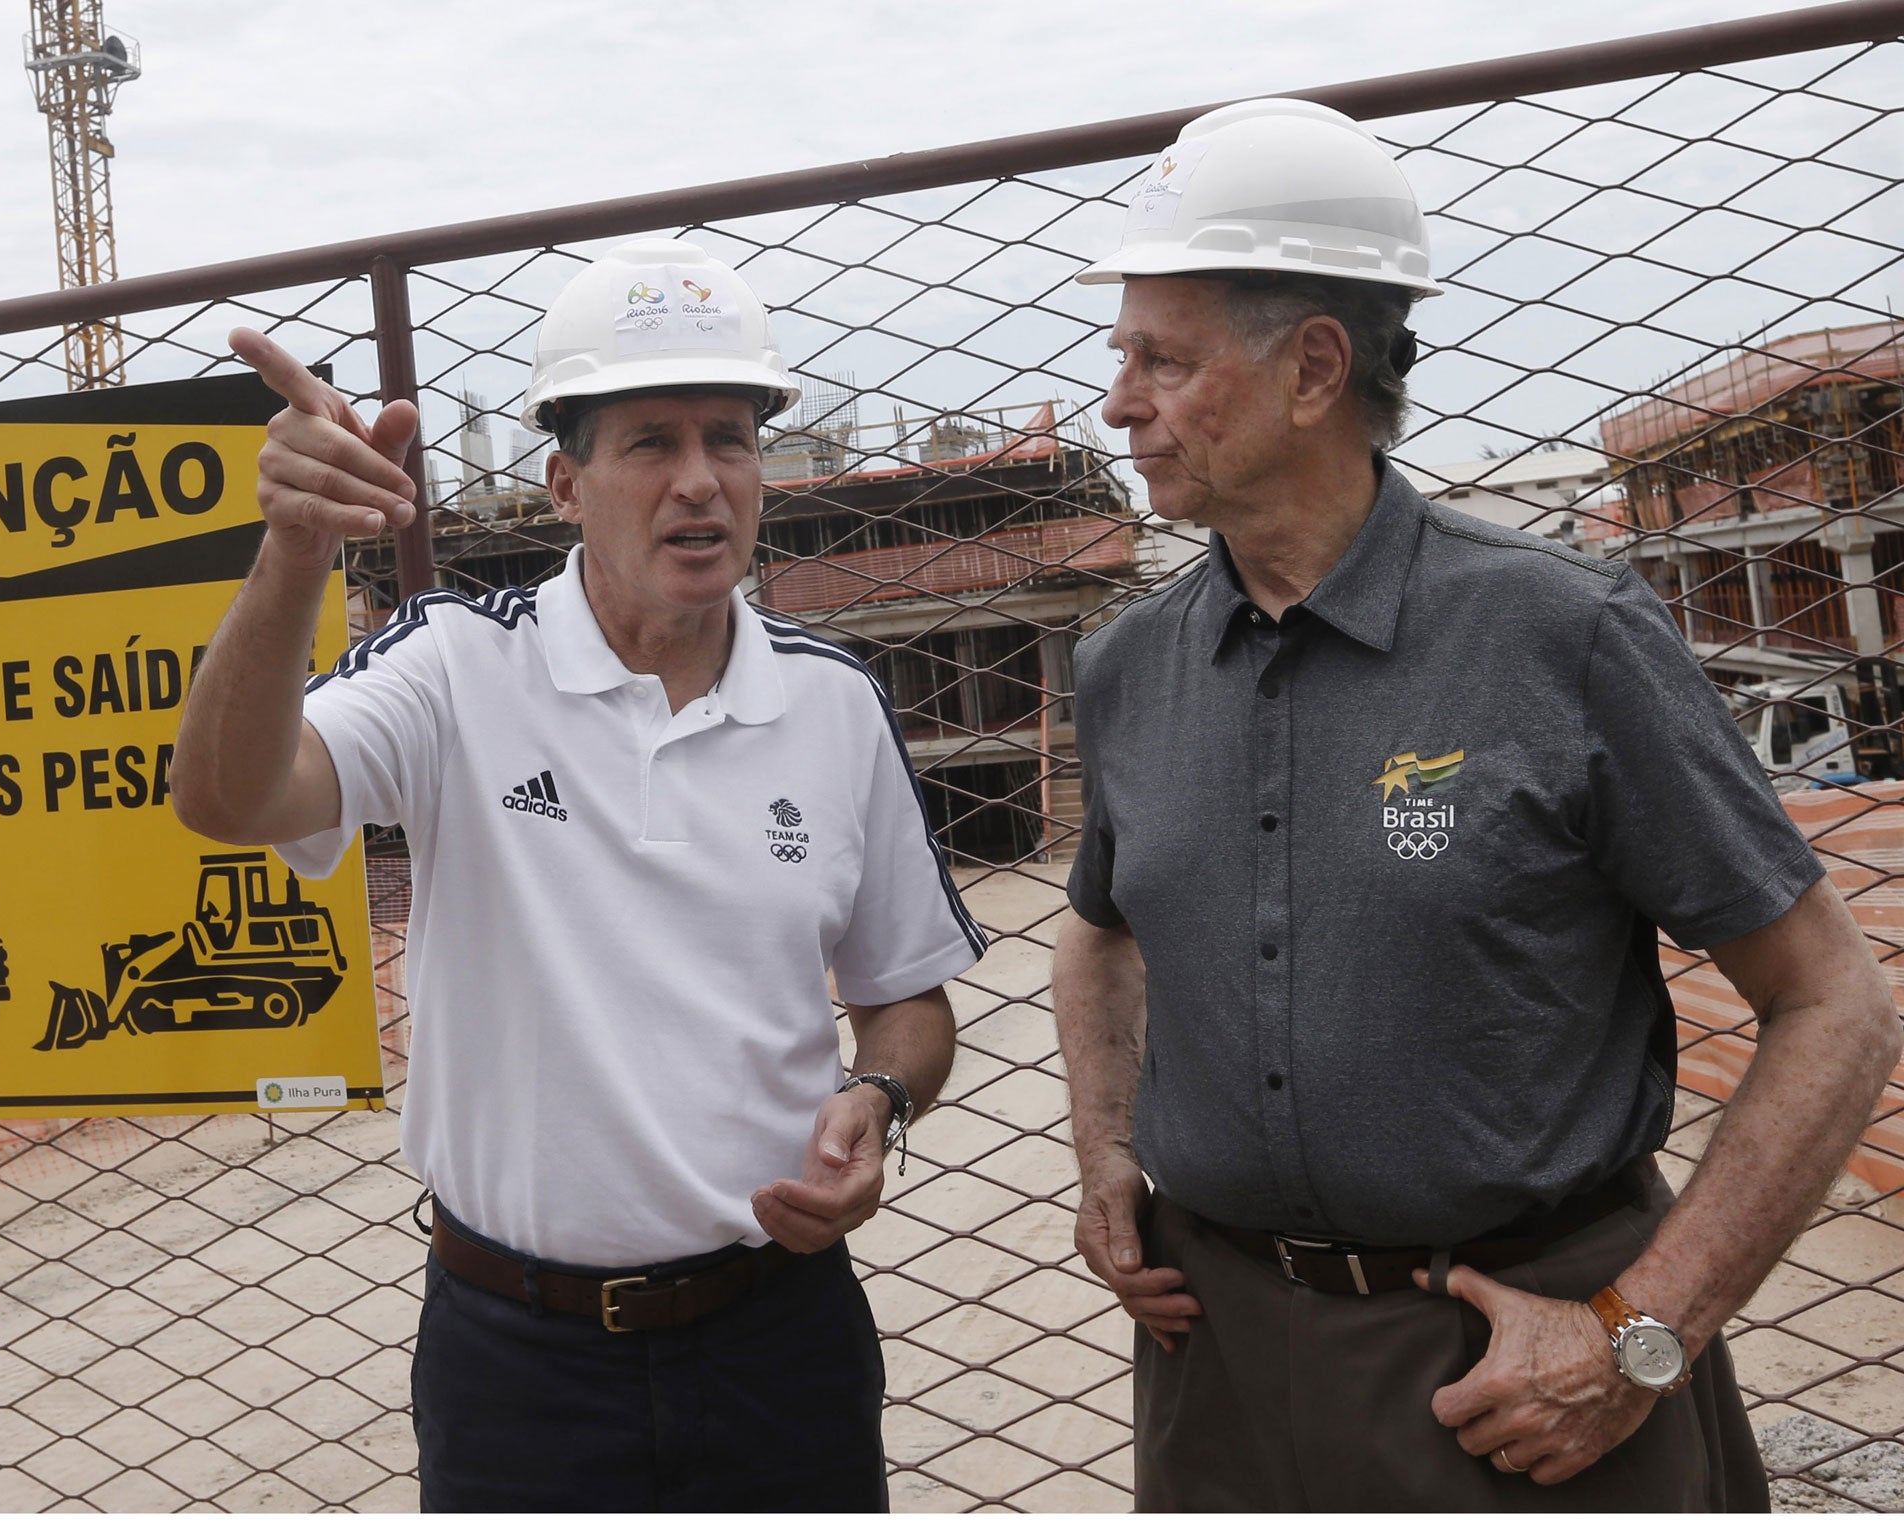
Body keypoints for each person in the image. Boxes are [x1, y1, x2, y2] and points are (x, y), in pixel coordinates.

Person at [1051, 99, 1902, 1512]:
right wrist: (1105, 1151)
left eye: (1164, 359)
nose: (1120, 401)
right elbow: (1098, 927)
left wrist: (1644, 1335)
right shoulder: (1128, 668)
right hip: (1220, 1377)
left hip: (1528, 1378)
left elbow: (1835, 1006)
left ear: (1314, 369)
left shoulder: (1561, 636)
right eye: (1123, 355)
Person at [170, 238, 987, 1512]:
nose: (700, 481)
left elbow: (908, 999)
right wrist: (290, 554)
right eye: (650, 443)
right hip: (520, 1358)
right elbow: (226, 798)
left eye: (731, 437)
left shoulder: (832, 704)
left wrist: (880, 1096)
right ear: (565, 481)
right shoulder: (455, 669)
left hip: (779, 1336)